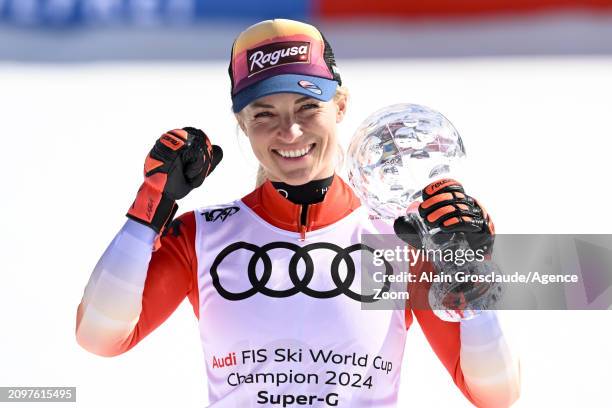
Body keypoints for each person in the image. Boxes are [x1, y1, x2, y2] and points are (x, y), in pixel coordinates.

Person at [76, 18, 520, 407]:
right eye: (264, 114)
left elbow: (496, 394)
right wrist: (147, 213)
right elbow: (99, 337)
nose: (289, 131)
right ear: (243, 125)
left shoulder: (400, 239)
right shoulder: (203, 236)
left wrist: (468, 269)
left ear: (340, 105)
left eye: (308, 106)